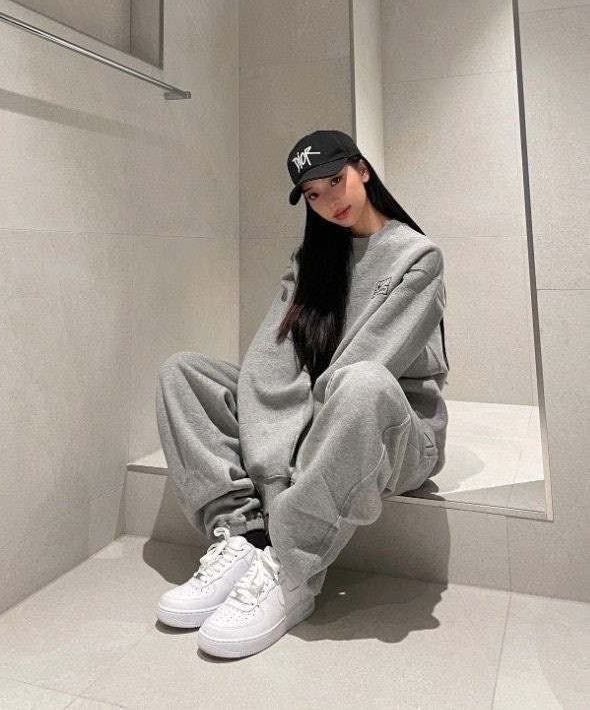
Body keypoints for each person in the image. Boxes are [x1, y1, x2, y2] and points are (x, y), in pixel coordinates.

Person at [155, 129, 450, 659]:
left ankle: (291, 567)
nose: (330, 200)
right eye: (314, 193)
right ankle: (244, 535)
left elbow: (365, 364)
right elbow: (272, 360)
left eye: (336, 180)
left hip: (391, 429)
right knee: (183, 373)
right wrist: (274, 464)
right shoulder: (311, 259)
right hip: (315, 418)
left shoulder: (417, 257)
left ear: (362, 170)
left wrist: (283, 463)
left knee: (360, 382)